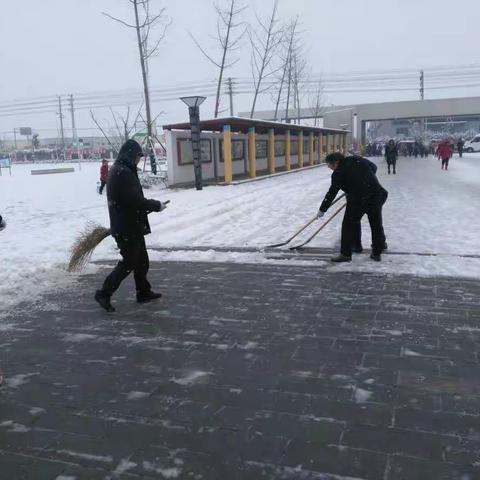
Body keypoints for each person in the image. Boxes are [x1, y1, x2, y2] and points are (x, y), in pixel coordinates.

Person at [95, 139, 168, 312]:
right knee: (128, 263)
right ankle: (104, 293)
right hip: (126, 227)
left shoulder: (122, 170)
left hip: (129, 224)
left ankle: (143, 292)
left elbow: (128, 201)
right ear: (130, 155)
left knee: (142, 261)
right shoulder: (123, 172)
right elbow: (135, 201)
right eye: (137, 156)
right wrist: (156, 205)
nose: (139, 160)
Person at [317, 152, 388, 262]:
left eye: (329, 165)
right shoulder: (356, 159)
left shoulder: (338, 173)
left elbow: (332, 192)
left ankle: (345, 254)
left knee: (348, 225)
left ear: (336, 163)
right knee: (376, 223)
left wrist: (322, 209)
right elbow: (374, 167)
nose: (328, 167)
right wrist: (363, 180)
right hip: (376, 194)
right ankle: (377, 250)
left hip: (358, 199)